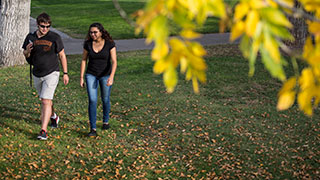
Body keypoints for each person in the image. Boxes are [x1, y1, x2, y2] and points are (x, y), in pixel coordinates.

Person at [22, 12, 69, 140]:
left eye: (48, 26)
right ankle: (54, 117)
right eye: (43, 26)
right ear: (37, 25)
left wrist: (65, 73)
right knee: (46, 99)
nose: (45, 29)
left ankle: (43, 131)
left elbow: (62, 55)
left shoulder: (54, 37)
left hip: (52, 72)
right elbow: (25, 55)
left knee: (45, 100)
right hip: (37, 73)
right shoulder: (30, 37)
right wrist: (27, 51)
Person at [80, 23, 117, 137]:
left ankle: (105, 121)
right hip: (91, 75)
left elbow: (114, 61)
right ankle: (93, 128)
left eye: (95, 32)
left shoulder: (109, 44)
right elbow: (84, 60)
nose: (93, 34)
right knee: (92, 100)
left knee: (105, 99)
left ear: (101, 32)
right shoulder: (88, 44)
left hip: (105, 75)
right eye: (91, 32)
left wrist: (111, 77)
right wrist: (81, 77)